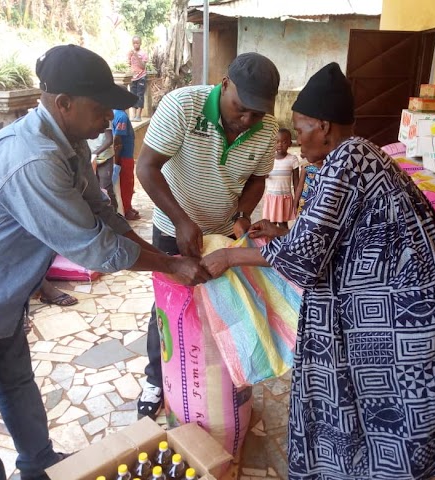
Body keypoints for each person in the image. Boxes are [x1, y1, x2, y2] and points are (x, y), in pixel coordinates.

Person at [0, 44, 210, 480]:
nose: (108, 120)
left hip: (1, 291)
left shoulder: (68, 141)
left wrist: (163, 255)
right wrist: (169, 266)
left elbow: (101, 213)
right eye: (100, 109)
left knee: (18, 383)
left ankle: (40, 465)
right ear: (63, 103)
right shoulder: (34, 159)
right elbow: (93, 246)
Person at [201, 63, 435, 480]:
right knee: (386, 396)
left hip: (411, 306)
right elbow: (341, 227)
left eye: (301, 127)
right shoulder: (359, 155)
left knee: (399, 401)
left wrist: (229, 258)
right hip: (421, 296)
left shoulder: (347, 157)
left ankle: (386, 471)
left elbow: (305, 256)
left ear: (325, 126)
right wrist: (283, 229)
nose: (296, 137)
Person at [135, 52, 280, 419]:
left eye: (257, 114)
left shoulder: (266, 129)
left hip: (223, 234)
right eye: (241, 108)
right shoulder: (183, 105)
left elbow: (257, 179)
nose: (247, 120)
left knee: (222, 304)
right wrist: (182, 220)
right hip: (173, 229)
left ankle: (215, 376)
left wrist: (243, 214)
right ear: (224, 83)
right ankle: (157, 377)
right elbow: (147, 167)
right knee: (170, 308)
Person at [262, 128, 299, 228]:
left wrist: (297, 199)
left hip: (284, 198)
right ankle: (270, 243)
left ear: (290, 144)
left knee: (283, 224)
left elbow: (296, 181)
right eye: (277, 141)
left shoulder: (292, 159)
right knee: (270, 225)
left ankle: (284, 243)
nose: (280, 144)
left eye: (284, 142)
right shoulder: (269, 159)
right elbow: (261, 175)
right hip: (271, 197)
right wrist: (264, 175)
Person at [112, 108, 140, 220]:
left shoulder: (119, 114)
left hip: (126, 155)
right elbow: (117, 140)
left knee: (127, 183)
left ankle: (128, 206)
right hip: (124, 156)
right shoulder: (121, 116)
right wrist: (117, 160)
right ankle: (126, 210)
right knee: (126, 184)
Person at [88, 121, 118, 212]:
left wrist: (95, 153)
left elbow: (109, 140)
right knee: (94, 189)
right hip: (91, 158)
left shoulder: (103, 117)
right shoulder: (83, 117)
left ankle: (114, 214)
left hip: (104, 157)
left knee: (106, 188)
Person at [128, 36, 149, 121]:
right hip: (133, 78)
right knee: (133, 96)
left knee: (140, 95)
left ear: (140, 43)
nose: (135, 44)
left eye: (137, 43)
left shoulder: (143, 54)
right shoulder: (130, 53)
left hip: (141, 77)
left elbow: (143, 66)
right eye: (134, 43)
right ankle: (133, 116)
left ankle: (138, 116)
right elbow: (129, 64)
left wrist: (136, 55)